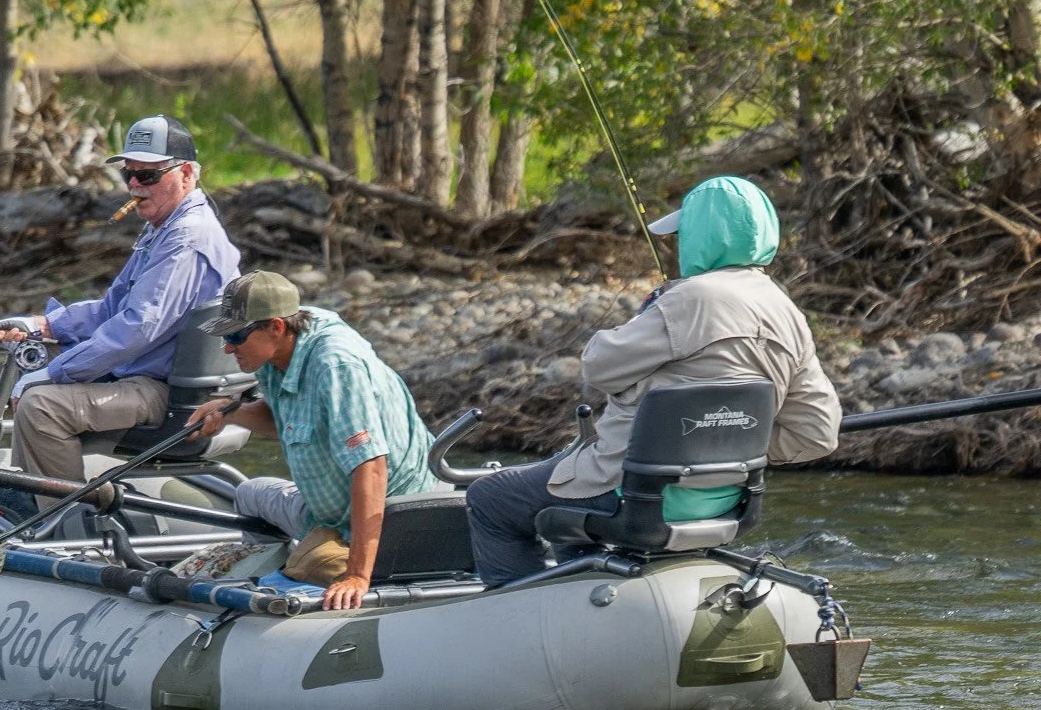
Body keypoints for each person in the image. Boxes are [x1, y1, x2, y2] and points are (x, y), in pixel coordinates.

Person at [464, 175, 841, 587]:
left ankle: (517, 617)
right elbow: (818, 434)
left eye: (684, 233)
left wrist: (652, 308)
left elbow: (599, 366)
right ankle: (581, 601)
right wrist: (729, 442)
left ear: (701, 235)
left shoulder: (688, 299)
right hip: (726, 502)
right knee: (563, 497)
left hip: (636, 494)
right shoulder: (787, 312)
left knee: (490, 498)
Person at [0, 115, 240, 500]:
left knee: (42, 405)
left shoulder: (186, 237)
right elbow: (113, 309)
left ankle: (58, 518)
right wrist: (42, 325)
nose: (135, 185)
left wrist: (53, 374)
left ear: (186, 173)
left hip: (167, 393)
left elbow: (138, 327)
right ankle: (31, 490)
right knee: (37, 361)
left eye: (148, 176)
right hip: (144, 375)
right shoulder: (163, 227)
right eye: (129, 175)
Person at [186, 271, 437, 611]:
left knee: (346, 558)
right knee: (248, 493)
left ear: (276, 326)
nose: (227, 347)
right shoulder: (281, 347)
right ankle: (268, 592)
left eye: (235, 335)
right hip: (327, 516)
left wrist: (357, 577)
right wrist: (229, 412)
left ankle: (318, 582)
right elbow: (284, 418)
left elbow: (371, 468)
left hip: (391, 516)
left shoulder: (335, 365)